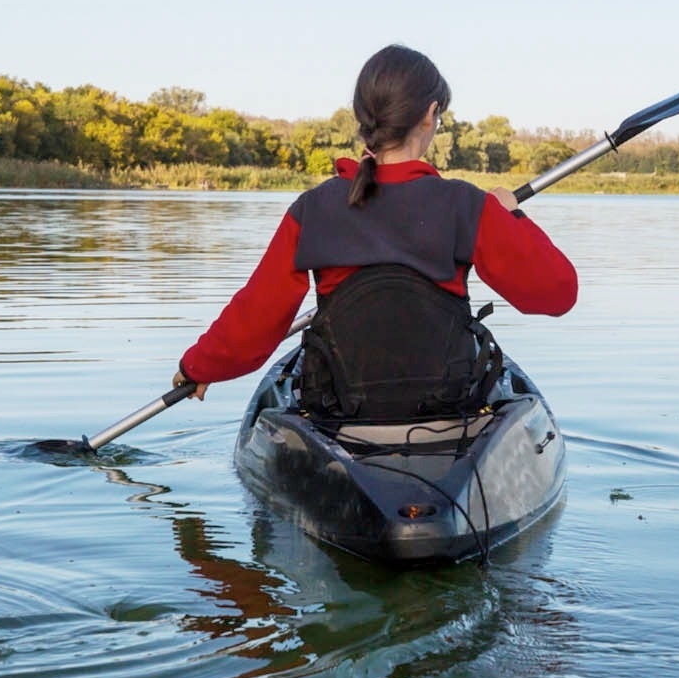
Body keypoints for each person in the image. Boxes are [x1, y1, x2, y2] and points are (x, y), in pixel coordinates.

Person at [173, 44, 577, 417]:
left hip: (342, 409)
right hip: (445, 406)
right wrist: (512, 217)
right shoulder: (467, 205)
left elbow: (257, 316)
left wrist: (199, 365)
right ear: (430, 113)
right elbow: (557, 293)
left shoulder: (313, 209)